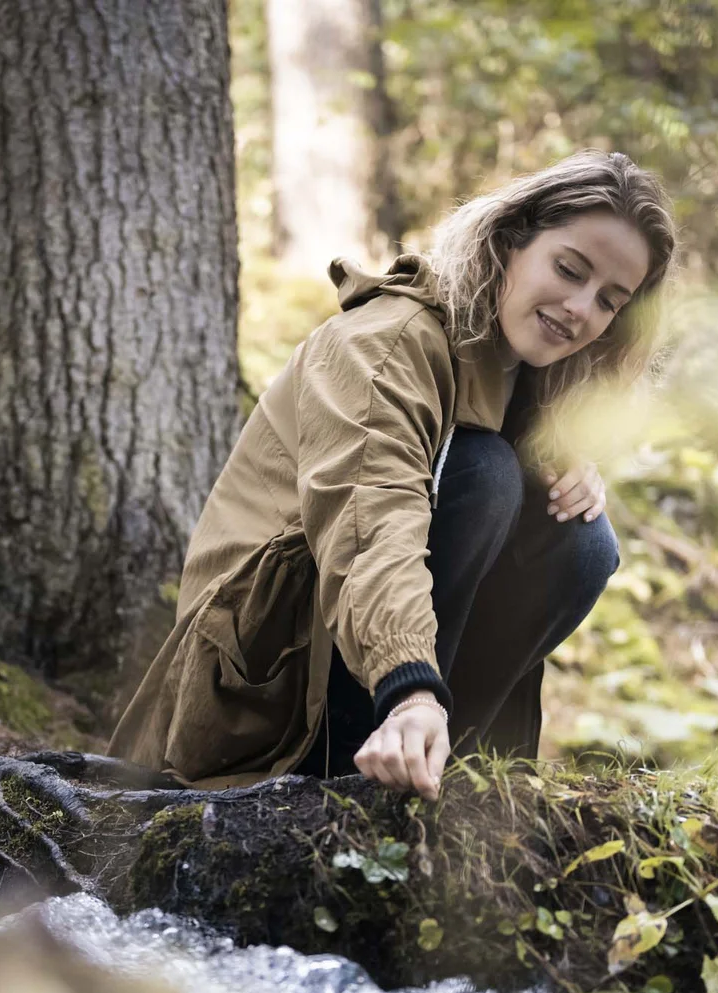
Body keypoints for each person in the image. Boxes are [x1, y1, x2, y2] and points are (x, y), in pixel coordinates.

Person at [110, 150, 677, 799]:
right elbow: (371, 524)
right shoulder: (384, 345)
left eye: (609, 300)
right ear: (512, 240)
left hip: (361, 664)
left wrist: (563, 466)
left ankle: (445, 778)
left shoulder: (526, 376)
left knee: (583, 539)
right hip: (258, 688)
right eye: (569, 269)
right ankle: (375, 761)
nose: (580, 308)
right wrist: (409, 688)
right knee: (486, 475)